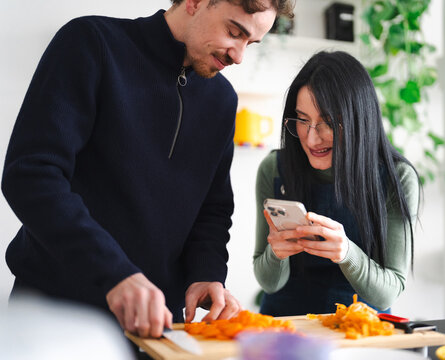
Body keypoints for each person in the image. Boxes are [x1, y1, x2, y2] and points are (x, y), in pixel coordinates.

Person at [2, 0, 294, 340]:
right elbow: (32, 175)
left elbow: (212, 211)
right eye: (234, 32)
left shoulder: (223, 100)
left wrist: (206, 274)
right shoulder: (91, 43)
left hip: (157, 329)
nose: (239, 55)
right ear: (195, 3)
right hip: (56, 316)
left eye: (251, 43)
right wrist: (115, 274)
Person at [253, 51, 421, 316]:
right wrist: (276, 253)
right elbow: (269, 283)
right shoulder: (274, 168)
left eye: (327, 122)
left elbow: (390, 290)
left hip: (360, 328)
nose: (311, 139)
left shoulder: (396, 178)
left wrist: (346, 253)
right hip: (285, 326)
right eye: (302, 120)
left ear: (359, 120)